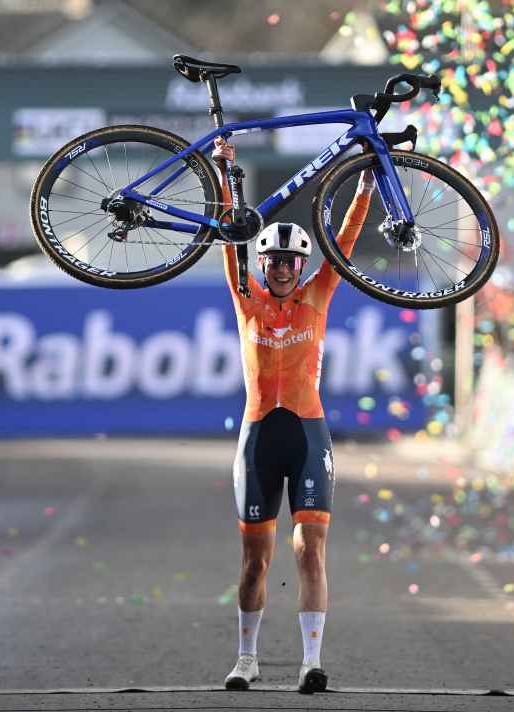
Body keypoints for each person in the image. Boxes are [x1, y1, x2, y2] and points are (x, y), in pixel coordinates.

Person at [212, 137, 373, 694]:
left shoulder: (318, 296)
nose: (282, 268)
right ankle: (247, 657)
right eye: (274, 260)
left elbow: (346, 241)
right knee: (256, 560)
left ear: (301, 265)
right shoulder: (246, 299)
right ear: (263, 264)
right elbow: (228, 240)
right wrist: (228, 175)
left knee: (309, 549)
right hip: (259, 435)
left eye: (290, 261)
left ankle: (310, 662)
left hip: (307, 432)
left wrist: (367, 185)